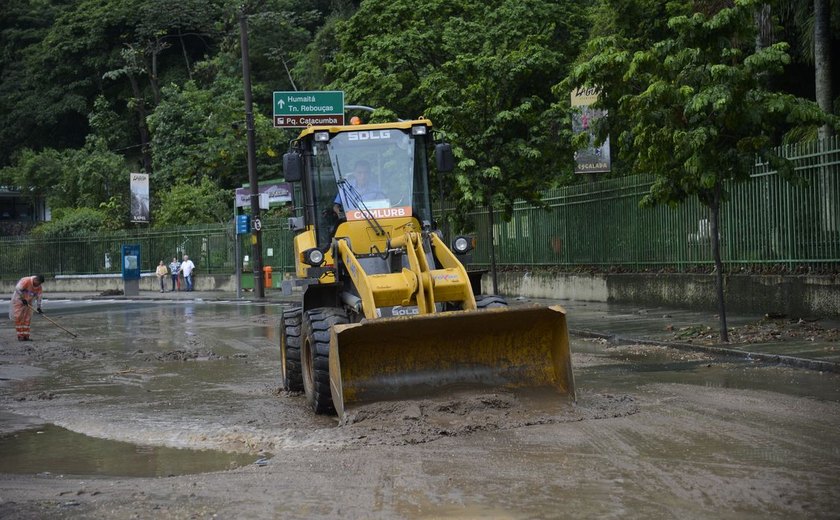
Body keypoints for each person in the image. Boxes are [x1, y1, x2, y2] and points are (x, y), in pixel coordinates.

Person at [9, 274, 44, 341]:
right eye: (38, 283)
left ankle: (26, 336)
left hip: (28, 302)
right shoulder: (26, 280)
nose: (38, 285)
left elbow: (39, 297)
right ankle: (20, 336)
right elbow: (18, 289)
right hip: (19, 301)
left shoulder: (39, 287)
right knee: (19, 318)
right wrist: (22, 298)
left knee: (27, 319)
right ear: (36, 279)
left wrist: (39, 307)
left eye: (40, 284)